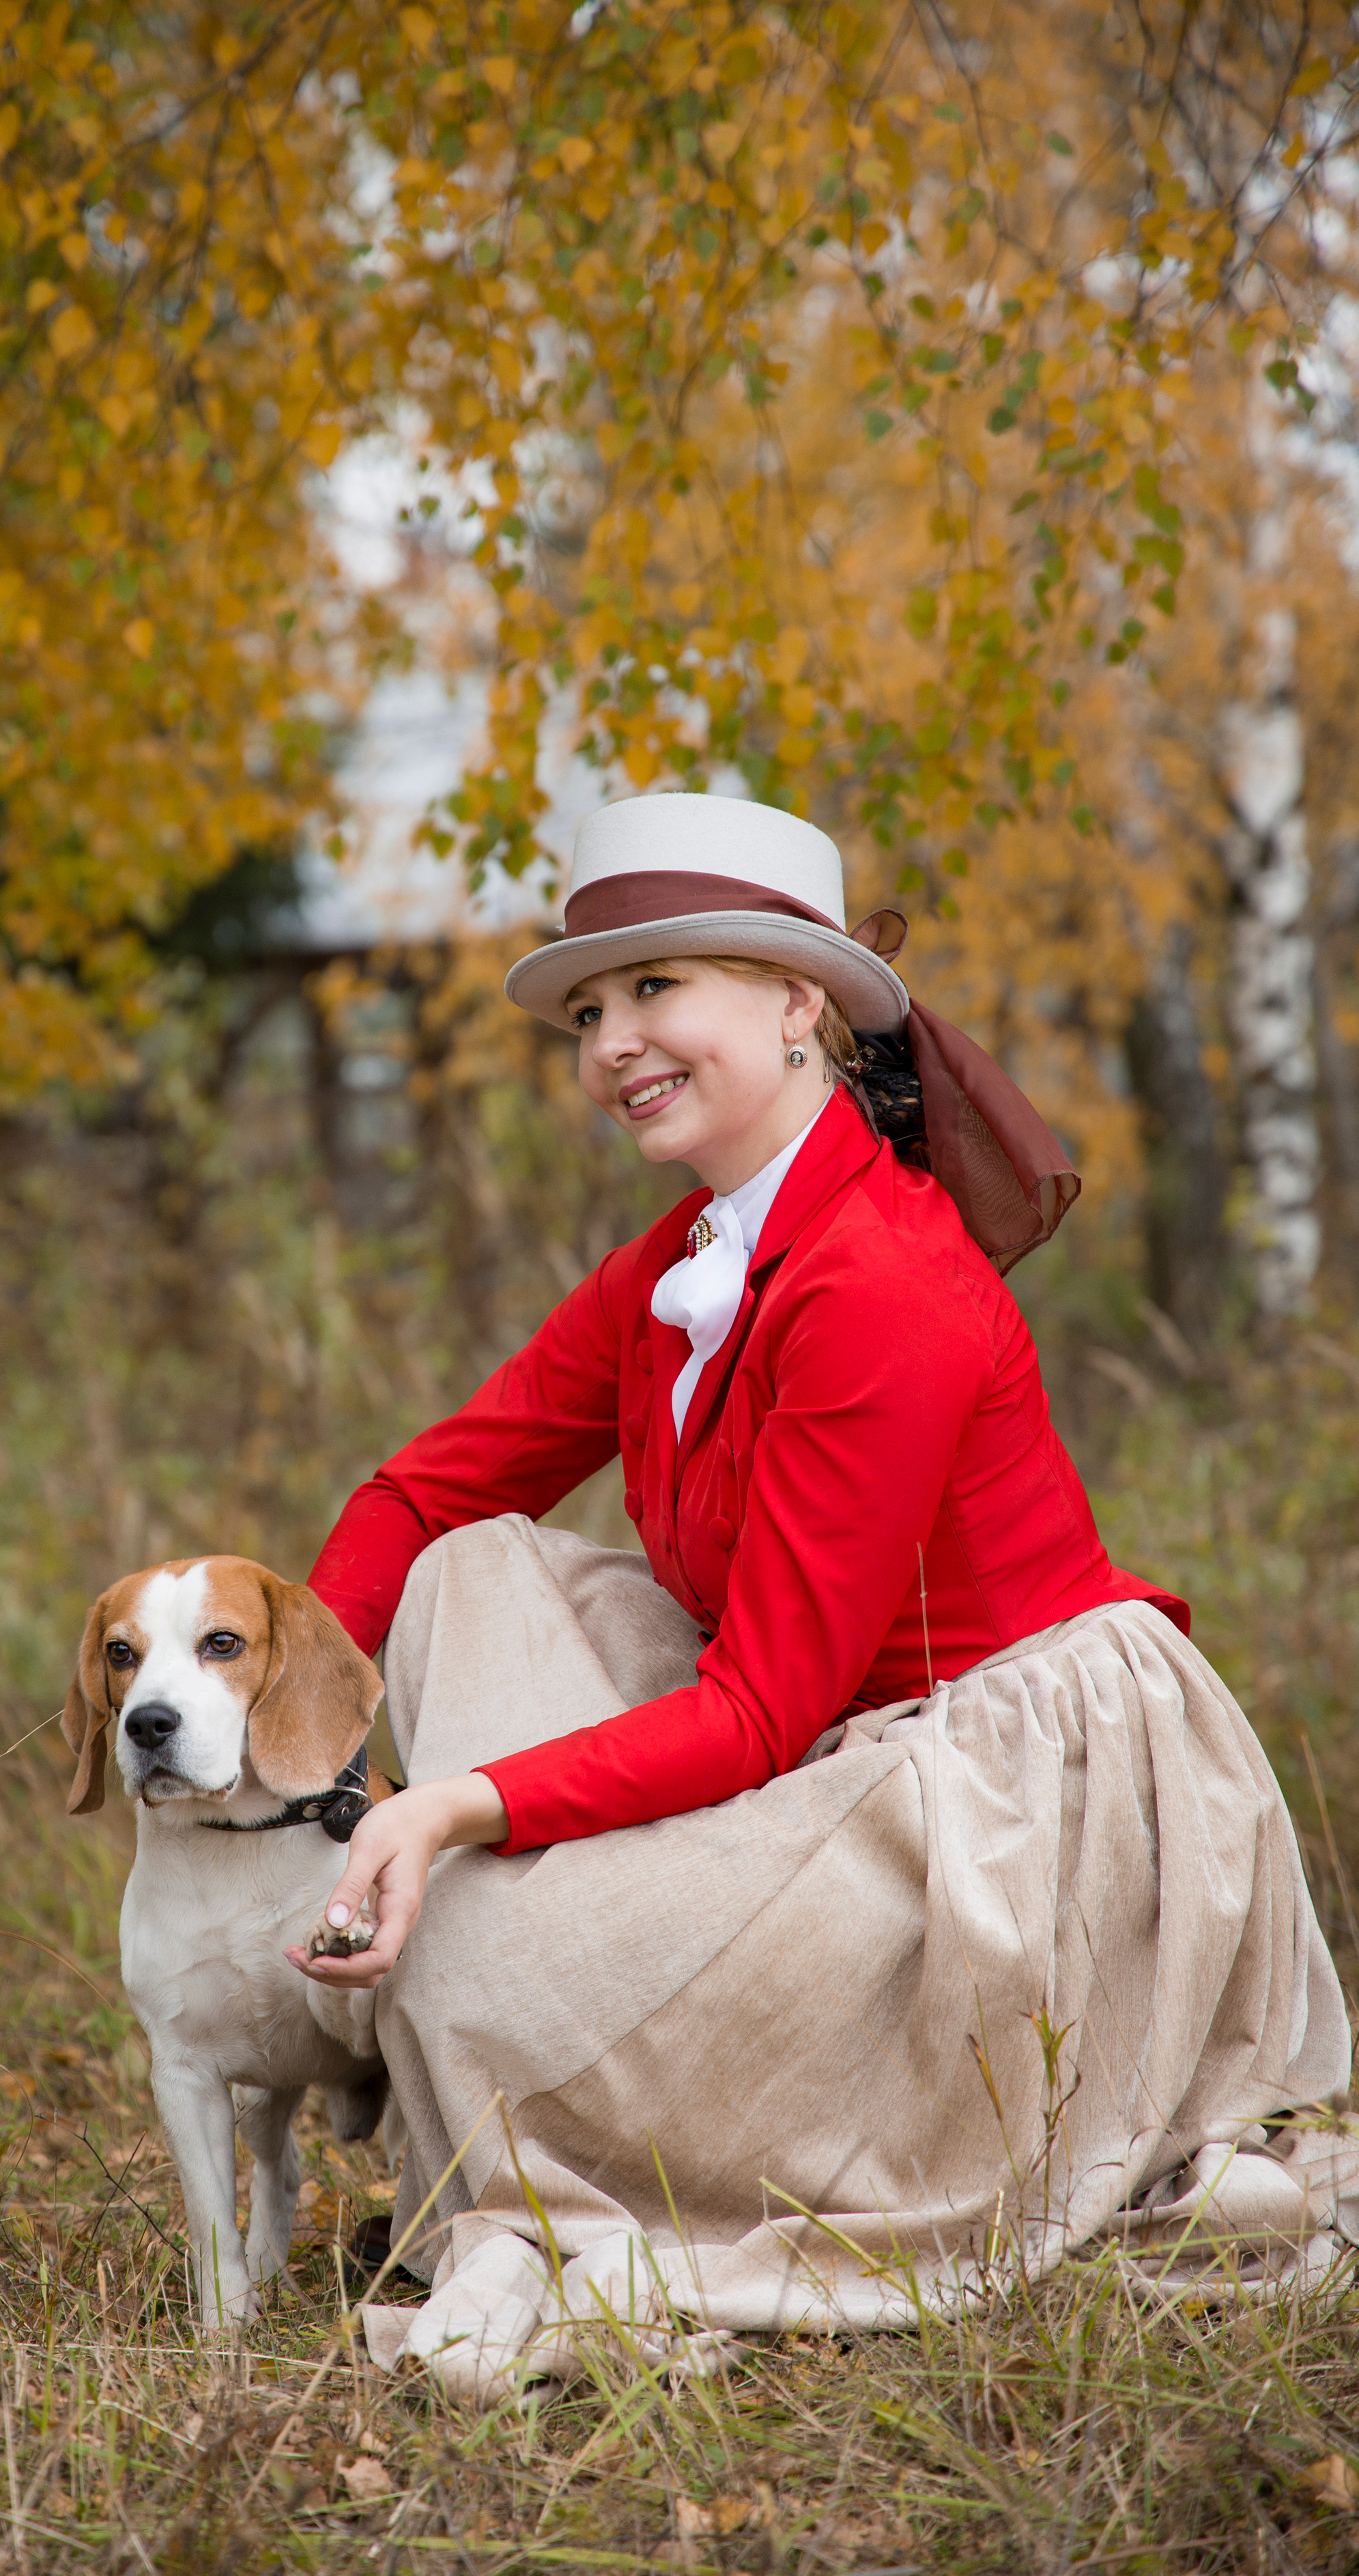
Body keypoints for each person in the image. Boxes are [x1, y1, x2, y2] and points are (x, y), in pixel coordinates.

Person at [288, 793, 1356, 2399]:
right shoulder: (679, 1266)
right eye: (590, 1007)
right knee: (473, 1571)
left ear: (797, 1003)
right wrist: (287, 1735)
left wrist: (450, 1809)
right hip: (826, 1729)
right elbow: (425, 1489)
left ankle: (575, 2164)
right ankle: (522, 2074)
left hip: (1002, 1803)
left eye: (656, 989)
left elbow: (759, 1709)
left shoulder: (879, 1282)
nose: (612, 1042)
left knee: (490, 1959)